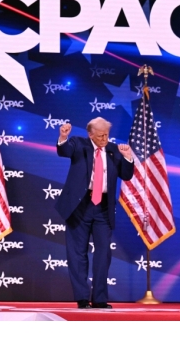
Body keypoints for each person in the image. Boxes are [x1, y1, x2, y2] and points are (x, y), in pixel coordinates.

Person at [56, 117, 133, 309]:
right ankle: (82, 298)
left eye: (107, 135)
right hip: (79, 206)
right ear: (90, 134)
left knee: (103, 253)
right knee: (77, 254)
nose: (105, 139)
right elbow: (64, 151)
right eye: (100, 136)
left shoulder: (114, 149)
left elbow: (126, 175)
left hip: (103, 208)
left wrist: (128, 157)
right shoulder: (78, 143)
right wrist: (63, 136)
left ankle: (99, 298)